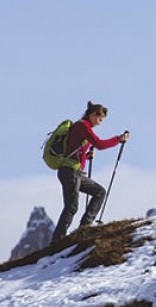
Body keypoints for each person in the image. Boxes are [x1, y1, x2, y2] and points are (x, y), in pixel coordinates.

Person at [51, 101, 130, 243]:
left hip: (75, 172)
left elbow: (73, 149)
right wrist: (119, 139)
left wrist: (86, 157)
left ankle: (84, 229)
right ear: (93, 115)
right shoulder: (83, 126)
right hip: (70, 172)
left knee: (99, 192)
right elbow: (99, 144)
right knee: (71, 206)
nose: (100, 123)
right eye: (100, 119)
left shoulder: (81, 127)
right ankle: (58, 240)